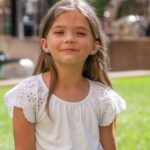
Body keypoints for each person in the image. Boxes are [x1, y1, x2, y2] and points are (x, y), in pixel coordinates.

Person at [4, 0, 126, 150]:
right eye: (59, 32)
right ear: (45, 45)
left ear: (95, 46)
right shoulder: (29, 95)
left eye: (80, 33)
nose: (69, 39)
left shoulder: (103, 98)